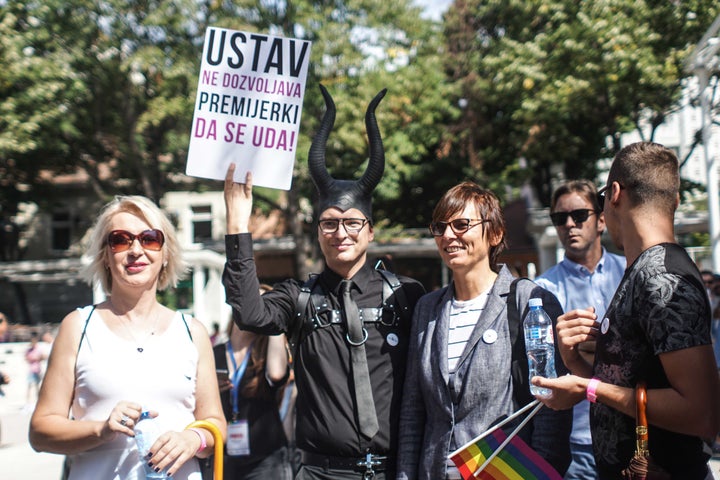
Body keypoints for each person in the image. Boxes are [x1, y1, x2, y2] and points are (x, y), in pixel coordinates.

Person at [222, 85, 426, 479]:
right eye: (329, 223)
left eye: (352, 223)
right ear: (318, 231)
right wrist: (237, 223)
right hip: (320, 473)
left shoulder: (406, 296)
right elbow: (249, 313)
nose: (341, 233)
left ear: (369, 231)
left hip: (395, 471)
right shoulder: (299, 297)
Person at [534, 142, 720, 479]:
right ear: (674, 201)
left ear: (614, 194)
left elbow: (701, 412)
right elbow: (631, 382)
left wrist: (590, 389)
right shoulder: (642, 271)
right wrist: (575, 363)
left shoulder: (662, 277)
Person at [29, 195, 227, 479]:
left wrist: (193, 439)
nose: (136, 250)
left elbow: (216, 424)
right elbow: (40, 432)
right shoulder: (78, 326)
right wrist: (101, 429)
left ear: (165, 253)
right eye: (120, 240)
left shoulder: (192, 331)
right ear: (105, 256)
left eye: (150, 239)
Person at [396, 181, 572, 480]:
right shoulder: (428, 308)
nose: (449, 235)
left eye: (462, 224)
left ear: (495, 233)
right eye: (440, 227)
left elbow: (550, 408)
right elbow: (413, 411)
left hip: (505, 473)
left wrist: (540, 473)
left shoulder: (529, 301)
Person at [534, 180, 625, 480]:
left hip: (630, 428)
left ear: (601, 220)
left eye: (579, 215)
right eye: (560, 218)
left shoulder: (629, 273)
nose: (569, 224)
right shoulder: (542, 291)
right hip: (576, 439)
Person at [210, 285, 292, 479]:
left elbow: (277, 374)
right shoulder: (214, 352)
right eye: (251, 302)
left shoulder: (266, 353)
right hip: (225, 456)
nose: (255, 310)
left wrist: (275, 319)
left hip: (265, 459)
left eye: (263, 306)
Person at [25, 330, 46, 410]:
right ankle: (28, 403)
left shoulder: (39, 348)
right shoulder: (29, 350)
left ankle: (38, 402)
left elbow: (43, 357)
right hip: (31, 370)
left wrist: (37, 358)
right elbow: (26, 358)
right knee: (29, 386)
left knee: (37, 387)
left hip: (38, 370)